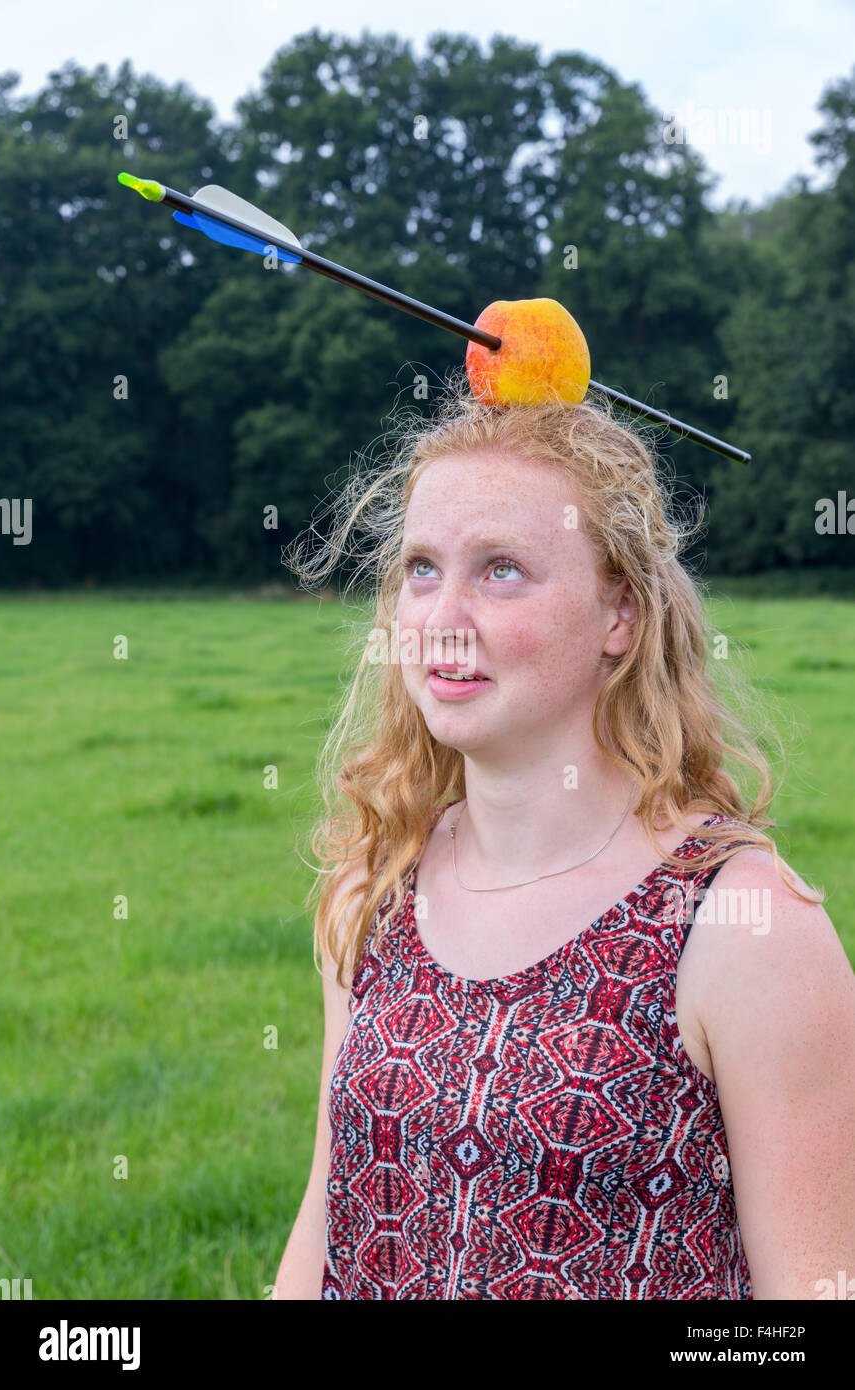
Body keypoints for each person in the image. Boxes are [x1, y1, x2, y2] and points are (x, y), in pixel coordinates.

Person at [271, 380, 855, 1300]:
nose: (441, 618)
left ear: (619, 613)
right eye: (423, 567)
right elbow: (327, 1216)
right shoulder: (376, 883)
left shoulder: (744, 924)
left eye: (501, 568)